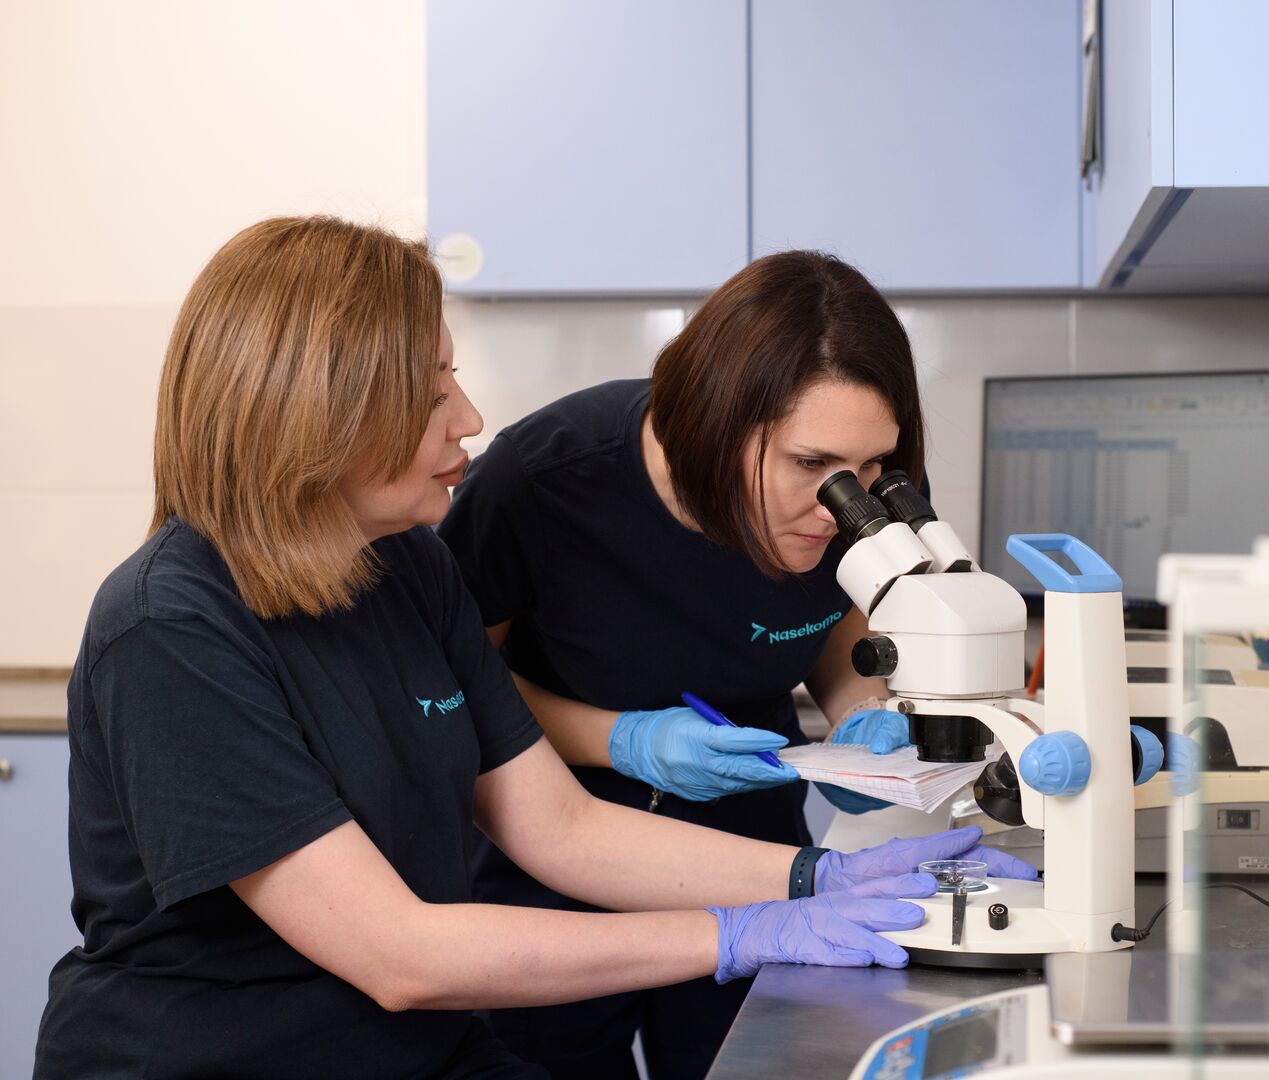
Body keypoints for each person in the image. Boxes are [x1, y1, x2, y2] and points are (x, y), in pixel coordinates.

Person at [31, 218, 1033, 1080]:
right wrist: (741, 932)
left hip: (416, 1051)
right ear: (318, 415)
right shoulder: (172, 631)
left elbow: (562, 831)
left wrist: (812, 881)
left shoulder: (406, 573)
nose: (468, 418)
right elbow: (399, 953)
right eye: (432, 393)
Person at [436, 250, 1034, 1078]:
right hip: (552, 838)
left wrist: (860, 715)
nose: (842, 499)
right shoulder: (543, 481)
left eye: (868, 470)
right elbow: (453, 683)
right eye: (810, 466)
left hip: (747, 828)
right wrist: (620, 740)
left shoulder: (862, 473)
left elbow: (838, 622)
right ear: (716, 421)